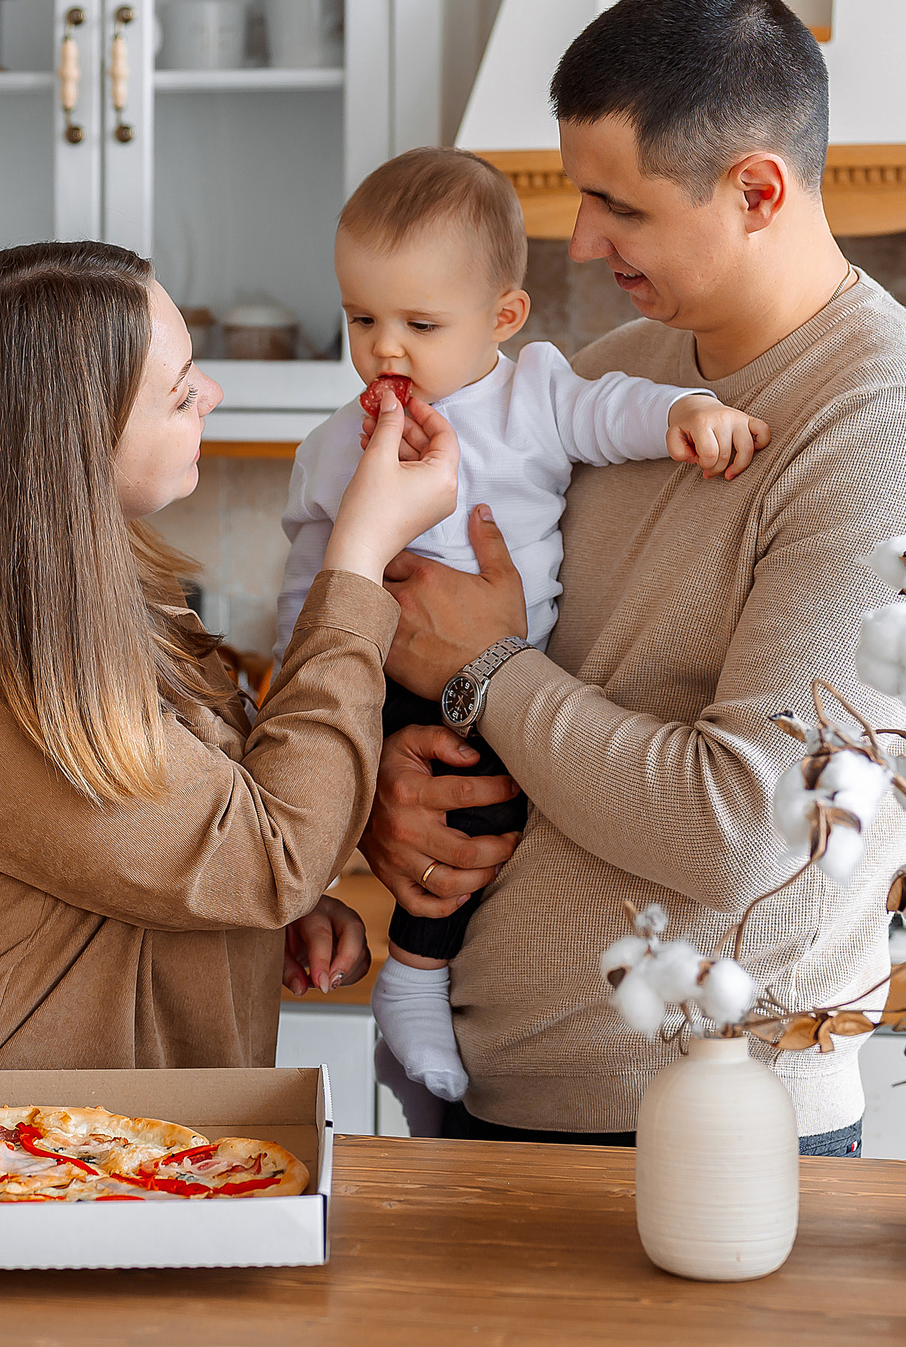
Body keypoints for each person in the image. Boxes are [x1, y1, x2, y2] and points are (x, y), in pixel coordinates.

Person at [361, 0, 906, 1153]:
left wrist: (485, 672)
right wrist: (393, 792)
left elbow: (746, 828)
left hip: (702, 1133)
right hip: (482, 1097)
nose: (580, 236)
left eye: (620, 205)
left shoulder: (895, 424)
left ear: (756, 188)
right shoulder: (618, 371)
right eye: (575, 191)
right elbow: (474, 659)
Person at [0, 240, 460, 1073]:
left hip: (59, 1165)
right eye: (179, 395)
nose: (212, 393)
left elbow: (191, 846)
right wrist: (355, 558)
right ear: (72, 449)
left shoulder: (90, 611)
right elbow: (272, 855)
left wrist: (257, 922)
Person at [273, 147, 767, 1101]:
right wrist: (318, 669)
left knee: (480, 809)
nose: (385, 350)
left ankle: (415, 974)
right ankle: (342, 931)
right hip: (372, 678)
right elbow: (310, 579)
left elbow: (606, 413)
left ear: (503, 317)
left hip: (496, 681)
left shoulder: (534, 393)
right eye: (360, 319)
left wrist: (687, 413)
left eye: (421, 323)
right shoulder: (335, 446)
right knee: (324, 793)